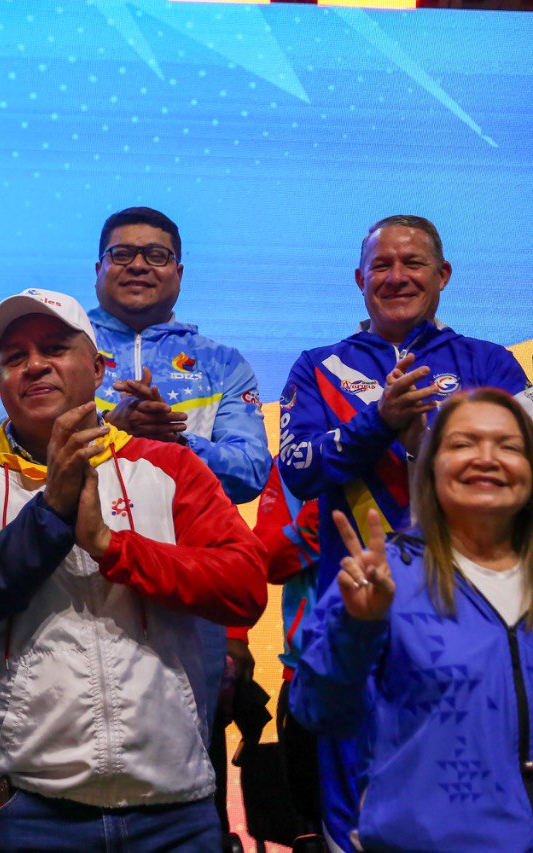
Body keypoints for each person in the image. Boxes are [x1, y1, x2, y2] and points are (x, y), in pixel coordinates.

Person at [0, 288, 267, 851]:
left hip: (173, 806)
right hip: (27, 807)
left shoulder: (169, 464)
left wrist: (112, 547)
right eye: (15, 357)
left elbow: (244, 586)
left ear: (99, 368)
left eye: (55, 348)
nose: (35, 365)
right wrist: (50, 513)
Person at [277, 214, 533, 849]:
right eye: (382, 265)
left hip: (486, 595)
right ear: (359, 279)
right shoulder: (317, 367)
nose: (397, 276)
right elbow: (299, 470)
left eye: (413, 263)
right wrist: (379, 422)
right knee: (366, 795)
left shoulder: (490, 362)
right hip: (368, 600)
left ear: (443, 275)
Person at [89, 206, 271, 836]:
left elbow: (251, 469)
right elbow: (11, 447)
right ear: (98, 268)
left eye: (157, 255)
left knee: (194, 782)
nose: (139, 264)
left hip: (192, 601)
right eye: (123, 253)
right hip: (79, 587)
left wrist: (173, 442)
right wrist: (114, 431)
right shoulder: (60, 352)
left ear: (180, 271)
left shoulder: (220, 363)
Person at [290, 388, 533, 850]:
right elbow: (319, 711)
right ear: (430, 466)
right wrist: (358, 628)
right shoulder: (384, 576)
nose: (486, 458)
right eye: (463, 444)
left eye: (509, 446)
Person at [251, 458, 321, 839]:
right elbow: (267, 559)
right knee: (314, 828)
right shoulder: (295, 461)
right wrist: (320, 519)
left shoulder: (418, 452)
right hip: (308, 678)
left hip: (412, 674)